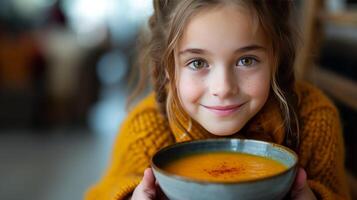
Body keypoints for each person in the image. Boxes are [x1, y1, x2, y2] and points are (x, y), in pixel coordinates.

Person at [85, 0, 351, 199]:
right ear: (169, 69)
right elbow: (107, 190)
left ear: (276, 58)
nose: (223, 88)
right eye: (197, 62)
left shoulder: (312, 119)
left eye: (247, 60)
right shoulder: (148, 128)